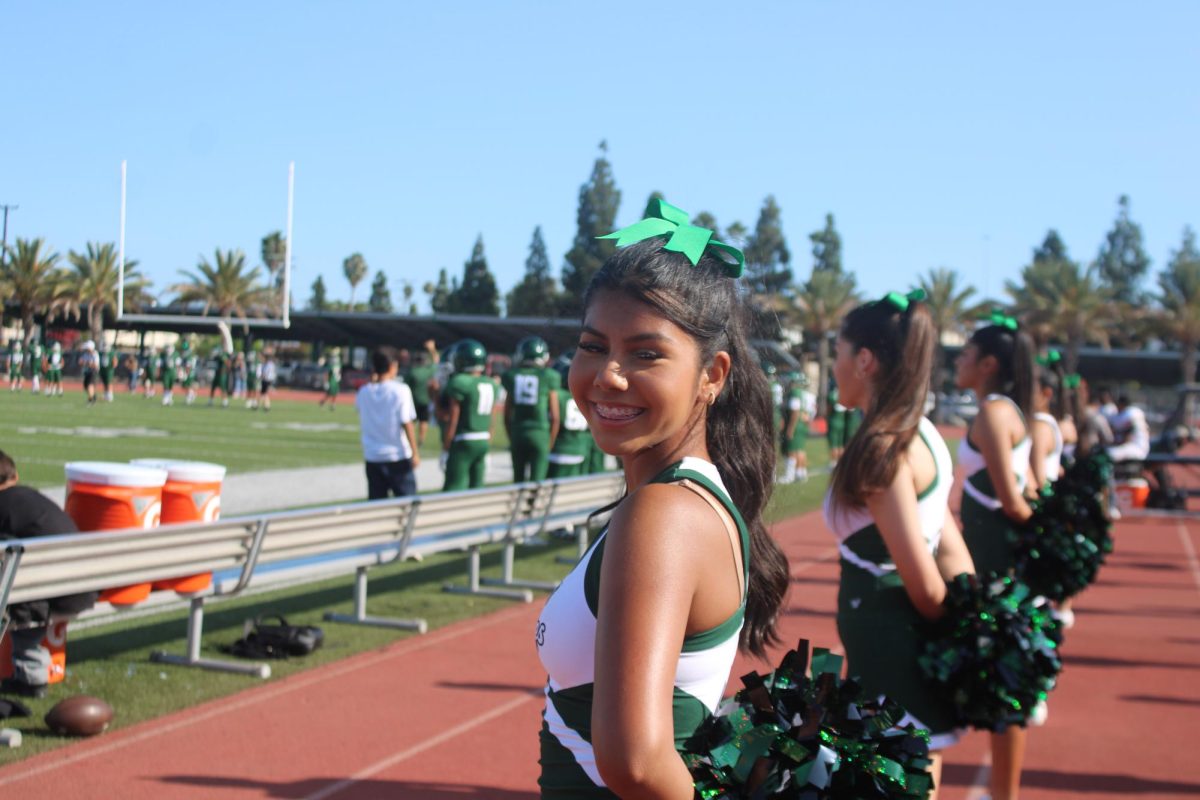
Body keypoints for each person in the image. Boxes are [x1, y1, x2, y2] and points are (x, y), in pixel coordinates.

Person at [536, 201, 789, 797]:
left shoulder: (665, 515)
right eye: (593, 346)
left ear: (713, 375)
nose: (609, 375)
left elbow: (637, 762)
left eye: (646, 354)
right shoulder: (681, 497)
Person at [824, 290, 976, 798]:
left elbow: (925, 582)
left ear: (864, 361)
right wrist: (972, 620)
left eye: (839, 355)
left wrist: (952, 636)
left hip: (894, 647)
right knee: (918, 775)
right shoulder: (925, 434)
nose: (834, 370)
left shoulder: (883, 447)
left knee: (899, 781)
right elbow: (951, 545)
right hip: (889, 646)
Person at [953, 314, 1037, 800]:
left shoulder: (993, 414)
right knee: (1003, 691)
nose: (959, 361)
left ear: (987, 364)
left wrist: (1047, 533)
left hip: (996, 572)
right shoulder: (1004, 411)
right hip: (995, 566)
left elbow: (1013, 502)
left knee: (1005, 693)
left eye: (966, 354)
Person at [0, 451, 98, 698]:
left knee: (13, 586)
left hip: (57, 594)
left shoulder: (4, 507)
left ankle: (31, 674)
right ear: (16, 476)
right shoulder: (34, 499)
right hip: (85, 586)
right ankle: (30, 673)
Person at [355, 347, 420, 499]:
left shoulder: (364, 392)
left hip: (373, 456)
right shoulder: (401, 390)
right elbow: (407, 423)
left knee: (377, 506)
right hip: (397, 456)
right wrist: (415, 453)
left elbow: (360, 409)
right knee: (407, 504)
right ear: (392, 366)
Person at [503, 336, 561, 483]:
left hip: (518, 431)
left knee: (518, 481)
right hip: (540, 433)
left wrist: (512, 436)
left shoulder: (512, 375)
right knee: (537, 482)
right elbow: (554, 417)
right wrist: (550, 442)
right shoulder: (549, 376)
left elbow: (507, 414)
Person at [441, 340, 495, 491]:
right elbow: (492, 418)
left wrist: (446, 448)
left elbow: (453, 418)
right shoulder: (491, 383)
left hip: (464, 439)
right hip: (483, 439)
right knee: (476, 488)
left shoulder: (459, 382)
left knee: (453, 487)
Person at [547, 352, 595, 479]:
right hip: (579, 451)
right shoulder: (586, 397)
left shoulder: (558, 395)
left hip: (558, 450)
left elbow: (553, 419)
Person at [780, 371, 816, 483]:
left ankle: (789, 475)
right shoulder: (805, 393)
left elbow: (795, 412)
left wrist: (790, 428)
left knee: (791, 450)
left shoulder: (795, 392)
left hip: (795, 424)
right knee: (800, 449)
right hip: (802, 424)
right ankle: (801, 473)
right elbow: (811, 411)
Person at [404, 344, 438, 448]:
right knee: (424, 421)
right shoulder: (429, 371)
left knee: (412, 421)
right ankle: (421, 440)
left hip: (413, 400)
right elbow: (436, 361)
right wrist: (432, 349)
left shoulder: (412, 372)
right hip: (426, 400)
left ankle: (410, 439)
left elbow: (406, 386)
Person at [1108, 394, 1150, 463]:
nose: (1116, 407)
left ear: (1121, 404)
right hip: (1136, 447)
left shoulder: (1130, 413)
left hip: (1135, 448)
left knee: (1109, 454)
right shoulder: (1133, 412)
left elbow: (1127, 438)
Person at [826, 382, 849, 465]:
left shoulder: (832, 395)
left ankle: (833, 463)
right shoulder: (844, 395)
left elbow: (829, 410)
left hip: (834, 421)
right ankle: (841, 462)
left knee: (834, 445)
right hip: (842, 422)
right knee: (840, 444)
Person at [79, 340, 100, 405]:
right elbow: (80, 362)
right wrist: (87, 363)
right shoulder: (86, 354)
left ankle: (90, 400)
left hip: (93, 372)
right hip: (87, 371)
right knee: (85, 386)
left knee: (90, 385)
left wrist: (87, 363)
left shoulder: (95, 354)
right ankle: (94, 397)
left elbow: (95, 365)